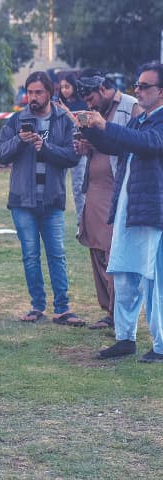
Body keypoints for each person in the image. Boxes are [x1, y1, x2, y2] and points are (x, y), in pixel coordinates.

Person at [78, 62, 163, 362]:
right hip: (128, 210)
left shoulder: (157, 125)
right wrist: (93, 130)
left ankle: (161, 345)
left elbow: (149, 145)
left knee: (154, 282)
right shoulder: (141, 121)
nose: (137, 90)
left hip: (153, 214)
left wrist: (105, 126)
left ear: (161, 91)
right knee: (125, 276)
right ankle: (125, 338)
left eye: (144, 86)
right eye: (137, 85)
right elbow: (118, 144)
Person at [0, 71, 84, 326]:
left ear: (49, 93)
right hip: (22, 200)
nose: (32, 97)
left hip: (52, 199)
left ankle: (63, 308)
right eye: (29, 92)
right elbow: (0, 154)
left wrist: (45, 148)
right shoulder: (17, 120)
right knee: (30, 255)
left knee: (57, 254)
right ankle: (37, 306)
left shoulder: (63, 120)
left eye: (38, 92)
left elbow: (72, 156)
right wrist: (19, 141)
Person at [74, 70, 142, 331]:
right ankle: (108, 311)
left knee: (111, 249)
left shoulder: (130, 106)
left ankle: (118, 313)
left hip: (117, 184)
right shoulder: (94, 110)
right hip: (93, 184)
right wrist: (86, 146)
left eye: (91, 98)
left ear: (102, 89)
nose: (89, 104)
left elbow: (136, 143)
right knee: (94, 246)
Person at [54, 73, 89, 225]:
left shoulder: (83, 104)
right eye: (62, 87)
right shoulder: (56, 103)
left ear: (74, 87)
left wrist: (67, 112)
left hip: (78, 148)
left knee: (79, 187)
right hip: (60, 148)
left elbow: (82, 125)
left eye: (67, 87)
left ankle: (82, 222)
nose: (64, 90)